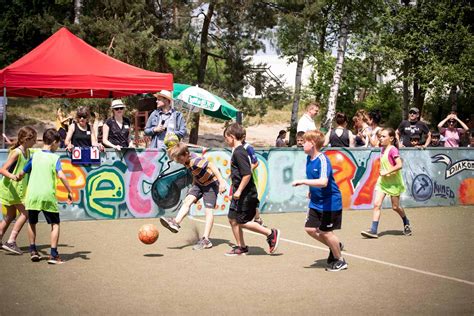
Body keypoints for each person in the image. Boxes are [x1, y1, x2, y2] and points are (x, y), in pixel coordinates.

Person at [292, 130, 347, 272]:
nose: (302, 144)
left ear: (313, 143)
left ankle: (340, 260)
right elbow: (314, 178)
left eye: (305, 141)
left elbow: (323, 182)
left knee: (325, 232)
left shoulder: (323, 160)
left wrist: (303, 182)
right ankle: (335, 245)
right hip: (316, 202)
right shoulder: (308, 159)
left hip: (330, 202)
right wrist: (311, 190)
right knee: (310, 229)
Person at [223, 123, 280, 256]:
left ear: (231, 137)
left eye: (226, 137)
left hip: (246, 193)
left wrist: (238, 191)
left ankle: (271, 233)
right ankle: (241, 247)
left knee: (242, 221)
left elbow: (247, 173)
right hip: (239, 192)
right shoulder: (237, 151)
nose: (225, 140)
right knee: (232, 219)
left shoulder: (239, 152)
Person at [16, 128, 73, 263]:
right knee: (55, 224)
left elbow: (22, 173)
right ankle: (53, 255)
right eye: (58, 143)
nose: (59, 146)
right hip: (47, 196)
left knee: (32, 222)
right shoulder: (55, 158)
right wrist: (69, 190)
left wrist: (16, 177)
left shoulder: (34, 156)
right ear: (53, 142)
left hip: (33, 195)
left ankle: (33, 251)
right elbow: (61, 175)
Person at [160, 142, 226, 250]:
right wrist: (194, 186)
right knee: (188, 200)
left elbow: (211, 165)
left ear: (186, 154)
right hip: (199, 184)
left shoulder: (195, 161)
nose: (179, 162)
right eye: (177, 160)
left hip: (211, 185)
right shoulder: (186, 161)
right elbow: (195, 173)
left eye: (180, 159)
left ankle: (206, 240)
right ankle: (176, 222)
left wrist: (222, 182)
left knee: (208, 211)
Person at [361, 128, 412, 239]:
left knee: (395, 207)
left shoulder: (393, 149)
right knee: (376, 204)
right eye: (380, 136)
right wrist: (368, 135)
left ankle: (406, 222)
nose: (381, 138)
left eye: (384, 136)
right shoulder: (382, 148)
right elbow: (374, 144)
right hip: (383, 182)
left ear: (391, 138)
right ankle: (373, 230)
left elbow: (399, 165)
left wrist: (386, 171)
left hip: (394, 183)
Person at [0, 126, 37, 254]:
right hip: (11, 189)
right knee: (26, 213)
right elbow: (2, 169)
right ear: (26, 139)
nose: (35, 142)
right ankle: (11, 241)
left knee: (10, 215)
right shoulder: (17, 152)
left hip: (15, 189)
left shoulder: (28, 152)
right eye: (34, 140)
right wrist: (13, 177)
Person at [242, 130, 263, 225]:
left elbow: (256, 162)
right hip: (240, 178)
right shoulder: (236, 148)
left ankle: (257, 218)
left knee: (252, 199)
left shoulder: (248, 148)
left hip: (250, 178)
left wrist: (248, 171)